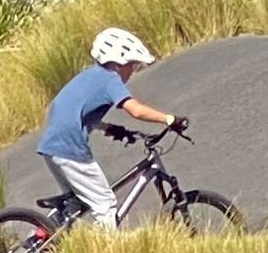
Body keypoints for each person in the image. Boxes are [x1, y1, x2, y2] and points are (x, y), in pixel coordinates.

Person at [32, 27, 184, 233]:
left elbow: (75, 113)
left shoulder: (88, 75)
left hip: (51, 147)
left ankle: (38, 241)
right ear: (120, 63)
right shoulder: (110, 80)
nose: (133, 70)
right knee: (104, 204)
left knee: (76, 202)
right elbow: (136, 110)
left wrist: (111, 129)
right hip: (70, 149)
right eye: (132, 65)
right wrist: (170, 119)